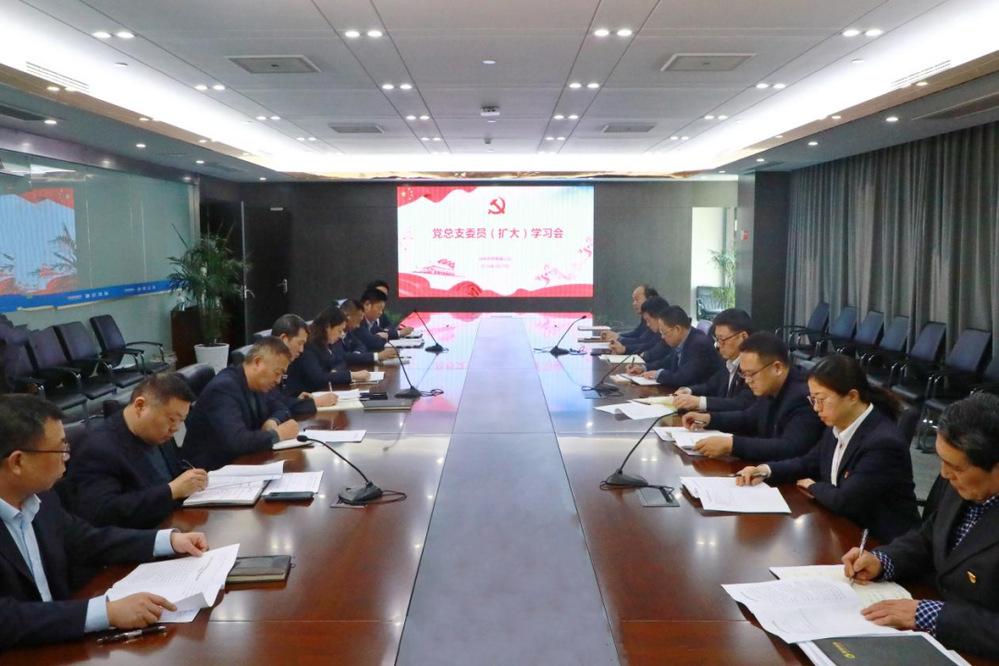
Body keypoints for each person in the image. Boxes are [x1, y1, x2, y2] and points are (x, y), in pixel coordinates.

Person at [0, 394, 209, 650]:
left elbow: (87, 540)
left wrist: (169, 540)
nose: (67, 457)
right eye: (60, 449)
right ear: (18, 462)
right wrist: (105, 612)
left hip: (59, 641)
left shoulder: (41, 498)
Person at [843, 393, 999, 660]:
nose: (944, 474)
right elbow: (929, 537)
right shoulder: (961, 482)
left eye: (955, 467)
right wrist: (883, 561)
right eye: (942, 461)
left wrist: (931, 615)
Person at [736, 354, 919, 542]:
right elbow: (808, 464)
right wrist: (765, 470)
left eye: (821, 399)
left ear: (852, 396)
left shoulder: (883, 443)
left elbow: (844, 501)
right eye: (813, 399)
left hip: (879, 542)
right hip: (841, 527)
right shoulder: (837, 424)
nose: (816, 408)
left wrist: (813, 485)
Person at [66, 373, 207, 529]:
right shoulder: (98, 450)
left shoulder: (158, 431)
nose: (176, 428)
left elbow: (169, 474)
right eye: (172, 419)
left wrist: (192, 479)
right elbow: (102, 513)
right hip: (141, 534)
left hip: (174, 521)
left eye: (182, 420)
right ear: (140, 406)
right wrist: (171, 491)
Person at [682, 332, 824, 460]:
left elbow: (789, 447)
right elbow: (750, 417)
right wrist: (708, 419)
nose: (747, 381)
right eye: (743, 374)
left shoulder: (804, 396)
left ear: (777, 368)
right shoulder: (770, 387)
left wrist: (732, 445)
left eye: (751, 374)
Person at [183, 337, 301, 470]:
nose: (278, 381)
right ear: (257, 363)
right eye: (277, 373)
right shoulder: (224, 388)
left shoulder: (256, 384)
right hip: (210, 472)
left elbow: (281, 408)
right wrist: (277, 435)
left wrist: (273, 421)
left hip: (240, 463)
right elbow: (237, 441)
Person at [672, 308, 755, 413]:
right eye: (717, 340)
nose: (719, 345)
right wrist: (689, 391)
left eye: (722, 339)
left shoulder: (754, 367)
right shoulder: (727, 361)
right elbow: (711, 385)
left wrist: (699, 402)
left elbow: (741, 403)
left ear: (743, 337)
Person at [286, 307, 370, 393]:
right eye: (339, 331)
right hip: (305, 395)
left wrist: (335, 372)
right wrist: (352, 375)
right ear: (328, 327)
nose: (340, 335)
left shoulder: (328, 342)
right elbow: (318, 378)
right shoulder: (308, 346)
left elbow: (341, 361)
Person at [640, 306, 723, 388]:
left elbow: (682, 379)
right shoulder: (681, 340)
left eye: (664, 332)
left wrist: (658, 374)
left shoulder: (699, 344)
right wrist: (645, 368)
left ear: (677, 329)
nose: (662, 337)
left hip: (698, 393)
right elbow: (668, 361)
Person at [270, 313, 337, 411]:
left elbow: (282, 398)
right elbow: (274, 405)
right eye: (299, 343)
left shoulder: (288, 362)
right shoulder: (267, 365)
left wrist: (297, 399)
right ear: (284, 339)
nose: (301, 350)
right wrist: (315, 402)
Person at [604, 284, 662, 355]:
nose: (634, 303)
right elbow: (636, 333)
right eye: (633, 300)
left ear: (650, 299)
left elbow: (643, 342)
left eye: (637, 299)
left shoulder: (656, 322)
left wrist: (620, 341)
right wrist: (617, 336)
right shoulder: (646, 318)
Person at [621, 296, 674, 371]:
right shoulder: (657, 333)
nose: (648, 325)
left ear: (659, 317)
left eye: (649, 320)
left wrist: (644, 356)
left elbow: (655, 354)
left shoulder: (669, 335)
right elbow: (647, 345)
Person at [340, 299, 398, 365]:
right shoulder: (336, 335)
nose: (358, 326)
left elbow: (361, 346)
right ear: (347, 317)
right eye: (357, 321)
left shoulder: (348, 333)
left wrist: (356, 356)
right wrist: (377, 356)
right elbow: (344, 357)